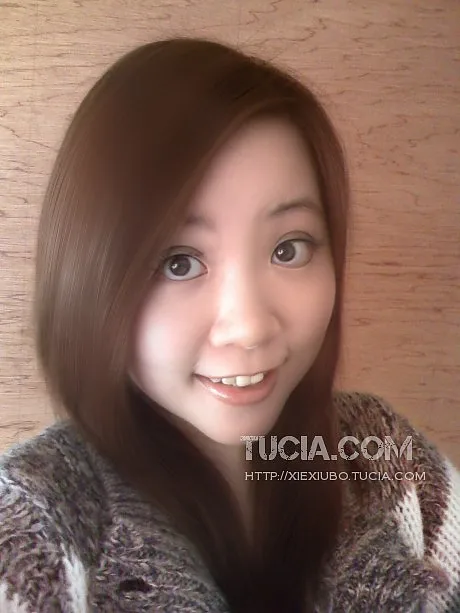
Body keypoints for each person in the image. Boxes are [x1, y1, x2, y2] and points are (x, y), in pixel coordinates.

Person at [0, 37, 458, 613]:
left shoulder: (381, 455)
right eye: (179, 262)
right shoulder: (38, 518)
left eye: (289, 249)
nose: (248, 328)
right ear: (88, 280)